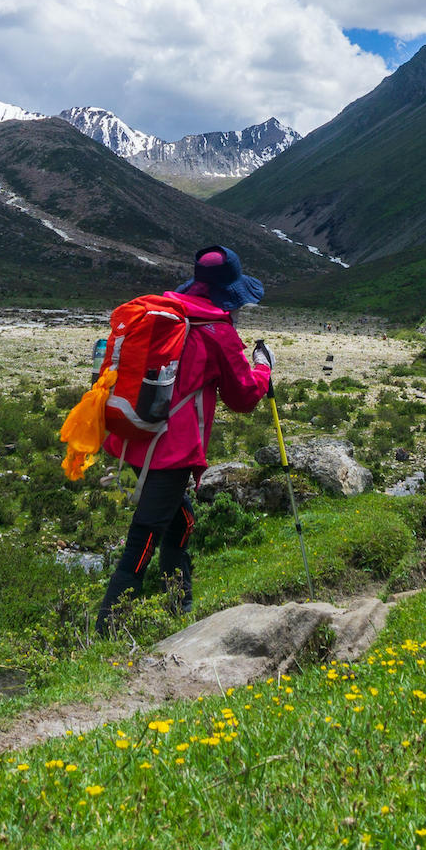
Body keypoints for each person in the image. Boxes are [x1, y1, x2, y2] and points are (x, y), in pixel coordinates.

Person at [94, 245, 272, 632]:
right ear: (230, 295)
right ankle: (108, 626)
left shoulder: (165, 315)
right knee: (144, 536)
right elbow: (243, 398)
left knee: (181, 520)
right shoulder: (218, 333)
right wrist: (264, 369)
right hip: (171, 452)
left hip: (134, 433)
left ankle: (178, 600)